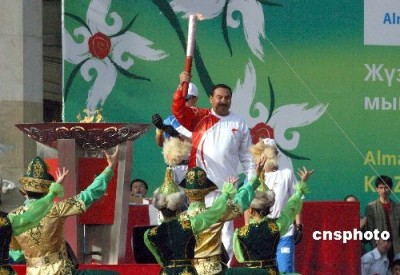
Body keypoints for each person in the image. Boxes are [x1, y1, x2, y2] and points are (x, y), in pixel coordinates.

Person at [172, 71, 256, 261]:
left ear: (231, 100)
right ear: (211, 99)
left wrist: (251, 181)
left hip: (227, 186)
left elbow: (247, 156)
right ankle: (199, 265)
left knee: (225, 231)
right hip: (201, 187)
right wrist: (181, 87)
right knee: (199, 227)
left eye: (227, 98)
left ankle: (222, 268)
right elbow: (178, 111)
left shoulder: (239, 123)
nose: (223, 101)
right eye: (219, 97)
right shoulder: (198, 116)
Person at [9, 146, 119, 275]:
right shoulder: (56, 209)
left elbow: (16, 255)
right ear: (47, 191)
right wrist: (109, 168)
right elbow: (89, 195)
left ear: (24, 192)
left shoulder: (12, 217)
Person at [143, 165, 237, 275]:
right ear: (178, 206)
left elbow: (161, 261)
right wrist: (226, 193)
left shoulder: (149, 234)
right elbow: (214, 212)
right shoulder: (190, 224)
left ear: (158, 208)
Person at [181, 157, 265, 275]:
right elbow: (239, 203)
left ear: (186, 192)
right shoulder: (216, 214)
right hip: (215, 269)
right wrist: (254, 177)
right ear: (207, 191)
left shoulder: (179, 219)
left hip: (189, 270)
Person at [226, 167, 313, 274]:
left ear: (250, 210)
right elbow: (291, 207)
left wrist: (228, 193)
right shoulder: (275, 227)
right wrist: (301, 186)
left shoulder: (239, 233)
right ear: (268, 209)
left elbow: (240, 258)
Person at [247, 138, 304, 273]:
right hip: (261, 231)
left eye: (270, 152)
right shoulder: (252, 177)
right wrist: (248, 230)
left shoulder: (286, 174)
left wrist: (299, 225)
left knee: (285, 269)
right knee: (263, 271)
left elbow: (296, 200)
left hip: (284, 230)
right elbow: (246, 206)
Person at [0, 181, 64, 274]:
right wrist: (52, 193)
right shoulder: (6, 220)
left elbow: (35, 211)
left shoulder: (6, 220)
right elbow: (35, 211)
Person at [365, 175, 400, 264]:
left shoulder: (397, 207)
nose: (383, 190)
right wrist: (376, 248)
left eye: (386, 187)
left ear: (391, 188)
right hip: (379, 248)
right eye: (381, 187)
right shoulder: (371, 207)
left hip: (396, 247)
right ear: (376, 189)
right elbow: (370, 230)